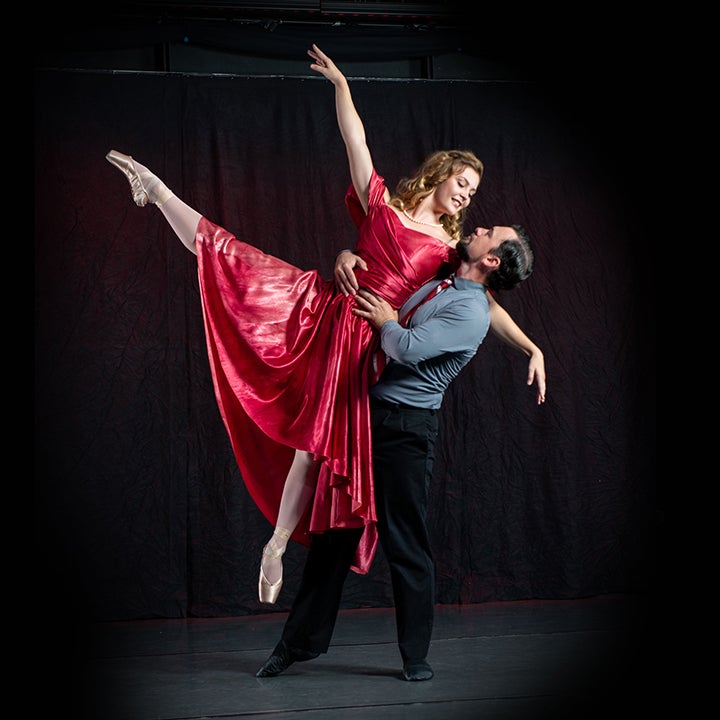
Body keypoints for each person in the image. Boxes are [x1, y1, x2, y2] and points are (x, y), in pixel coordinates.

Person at [105, 43, 545, 607]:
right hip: (326, 312)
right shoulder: (382, 202)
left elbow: (486, 306)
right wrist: (342, 86)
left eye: (474, 191)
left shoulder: (447, 249)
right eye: (462, 181)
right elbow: (354, 140)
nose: (467, 193)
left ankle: (277, 544)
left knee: (313, 449)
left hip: (367, 342)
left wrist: (530, 347)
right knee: (235, 258)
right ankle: (156, 185)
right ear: (438, 175)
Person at [255, 222, 538, 681]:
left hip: (405, 430)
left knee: (406, 544)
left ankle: (415, 658)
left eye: (490, 232)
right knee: (333, 538)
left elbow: (405, 348)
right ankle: (294, 646)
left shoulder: (472, 313)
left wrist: (386, 319)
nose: (479, 226)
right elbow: (385, 258)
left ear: (492, 260)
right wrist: (348, 254)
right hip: (363, 417)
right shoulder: (446, 271)